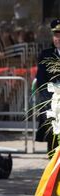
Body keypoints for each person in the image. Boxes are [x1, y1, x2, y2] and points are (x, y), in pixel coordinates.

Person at [35, 19, 60, 154]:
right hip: (53, 107)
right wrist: (50, 104)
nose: (58, 38)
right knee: (53, 147)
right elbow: (41, 83)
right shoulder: (46, 55)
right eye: (56, 34)